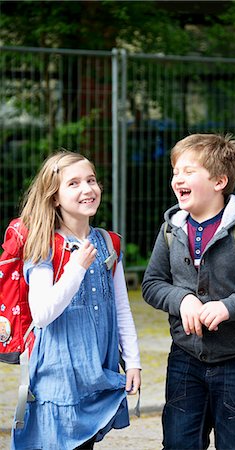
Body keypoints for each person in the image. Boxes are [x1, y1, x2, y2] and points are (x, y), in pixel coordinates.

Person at [142, 133, 235, 450]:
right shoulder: (172, 228)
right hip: (185, 358)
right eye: (175, 172)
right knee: (179, 442)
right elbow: (152, 283)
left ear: (219, 181)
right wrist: (181, 299)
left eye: (188, 171)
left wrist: (228, 307)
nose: (177, 179)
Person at [11, 150, 141, 450]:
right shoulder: (44, 245)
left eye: (91, 180)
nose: (87, 189)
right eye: (74, 183)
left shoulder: (108, 242)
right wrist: (75, 268)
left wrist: (133, 362)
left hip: (95, 371)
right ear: (54, 196)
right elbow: (42, 314)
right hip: (58, 376)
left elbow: (121, 308)